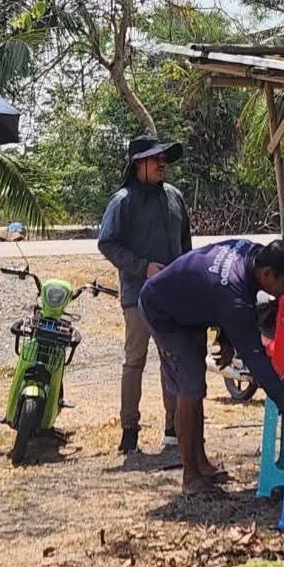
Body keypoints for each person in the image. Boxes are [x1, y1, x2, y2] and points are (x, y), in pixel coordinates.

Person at [139, 238, 284, 495]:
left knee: (196, 385)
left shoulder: (251, 253)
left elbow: (224, 295)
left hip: (191, 308)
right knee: (190, 389)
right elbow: (256, 359)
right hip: (164, 311)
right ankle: (190, 477)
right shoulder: (233, 292)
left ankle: (200, 463)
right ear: (267, 273)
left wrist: (225, 338)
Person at [98, 135, 193, 455]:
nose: (162, 163)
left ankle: (173, 429)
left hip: (173, 296)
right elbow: (107, 243)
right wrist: (142, 267)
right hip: (137, 294)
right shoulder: (122, 200)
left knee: (173, 360)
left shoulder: (175, 197)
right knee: (135, 361)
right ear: (139, 164)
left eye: (164, 158)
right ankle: (129, 430)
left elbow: (186, 247)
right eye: (156, 159)